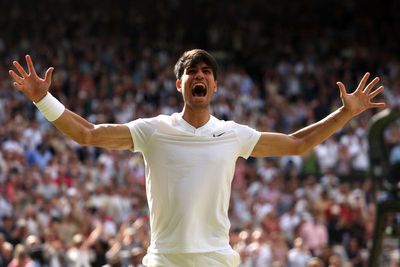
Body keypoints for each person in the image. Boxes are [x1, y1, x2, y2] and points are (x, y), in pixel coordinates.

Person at [9, 49, 385, 267]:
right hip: (164, 260)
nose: (199, 75)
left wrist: (345, 114)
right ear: (180, 84)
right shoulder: (153, 129)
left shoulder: (233, 134)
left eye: (207, 71)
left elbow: (297, 143)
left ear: (215, 85)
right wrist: (44, 98)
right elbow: (87, 133)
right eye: (192, 71)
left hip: (217, 259)